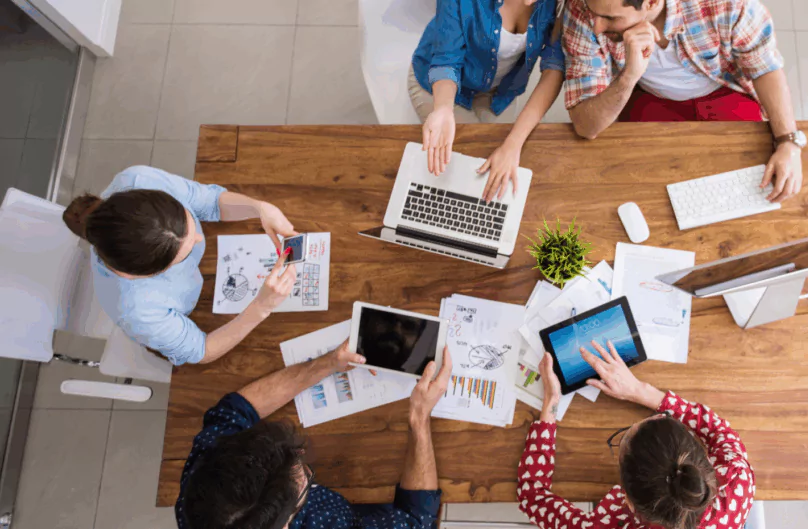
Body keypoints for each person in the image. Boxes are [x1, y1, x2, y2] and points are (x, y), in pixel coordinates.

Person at [177, 341, 453, 529]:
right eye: (304, 480)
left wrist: (327, 363)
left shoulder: (205, 483)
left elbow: (235, 410)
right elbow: (418, 520)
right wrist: (419, 418)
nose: (305, 466)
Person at [562, 0, 805, 202]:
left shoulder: (728, 4)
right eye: (594, 15)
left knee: (749, 187)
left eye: (610, 18)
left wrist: (788, 142)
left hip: (724, 90)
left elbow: (764, 68)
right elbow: (586, 126)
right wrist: (629, 75)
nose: (596, 27)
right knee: (639, 187)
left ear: (653, 2)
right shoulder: (583, 10)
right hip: (648, 98)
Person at [62, 166, 299, 366]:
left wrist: (259, 208)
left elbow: (208, 201)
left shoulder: (137, 179)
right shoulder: (138, 311)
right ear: (142, 275)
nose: (197, 238)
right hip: (189, 318)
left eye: (188, 221)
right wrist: (261, 307)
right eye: (182, 255)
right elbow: (202, 350)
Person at [518, 341, 754, 529]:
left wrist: (551, 403)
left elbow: (532, 495)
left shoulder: (606, 524)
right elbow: (719, 431)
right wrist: (640, 391)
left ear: (627, 502)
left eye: (622, 438)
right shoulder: (737, 479)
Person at [410, 0, 565, 202]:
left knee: (502, 165)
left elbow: (554, 68)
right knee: (465, 171)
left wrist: (513, 144)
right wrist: (443, 109)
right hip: (439, 86)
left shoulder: (559, 4)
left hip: (498, 93)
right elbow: (446, 59)